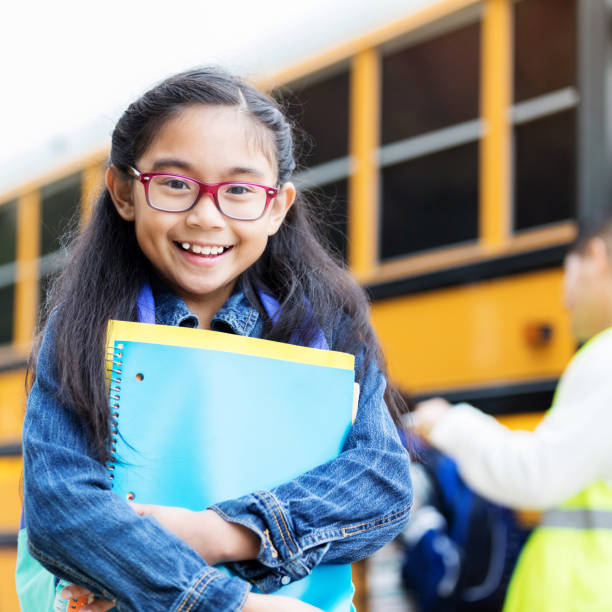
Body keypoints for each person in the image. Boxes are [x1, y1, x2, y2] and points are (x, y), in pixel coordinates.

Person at [21, 67, 413, 612]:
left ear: (277, 206)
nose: (206, 216)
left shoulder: (328, 325)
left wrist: (223, 532)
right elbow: (61, 510)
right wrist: (232, 604)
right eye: (176, 184)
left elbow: (381, 483)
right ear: (124, 191)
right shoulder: (81, 327)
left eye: (240, 190)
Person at [413, 218, 612, 611]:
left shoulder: (605, 356)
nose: (564, 298)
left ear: (596, 256)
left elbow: (537, 473)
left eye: (567, 274)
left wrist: (448, 424)